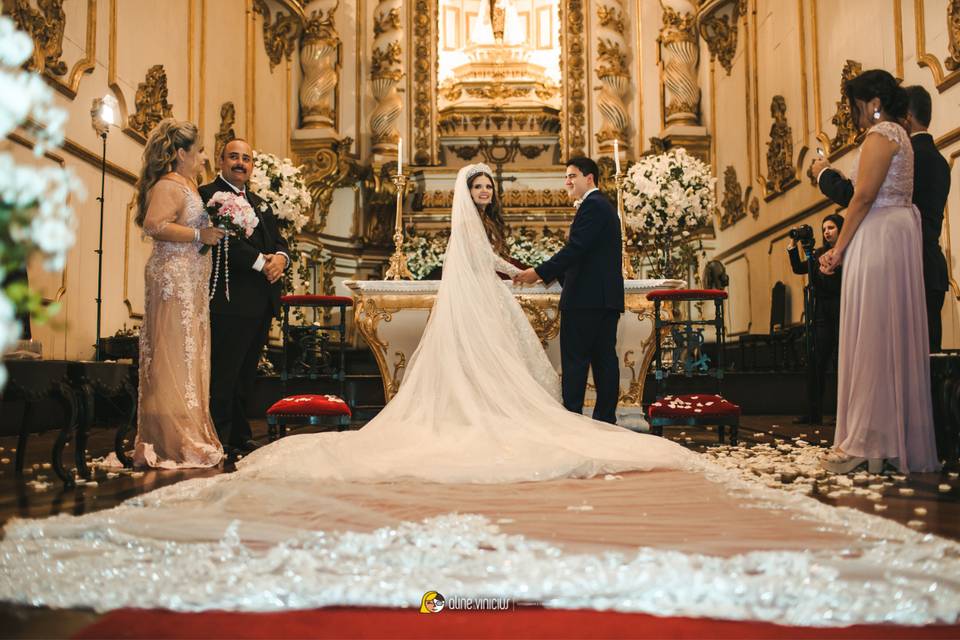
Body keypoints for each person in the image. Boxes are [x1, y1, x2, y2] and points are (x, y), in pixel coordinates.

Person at [231, 163, 689, 483]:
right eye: (479, 188)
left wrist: (523, 270)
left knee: (509, 361)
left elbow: (498, 258)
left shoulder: (499, 220)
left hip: (492, 298)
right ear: (466, 193)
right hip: (479, 301)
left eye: (489, 188)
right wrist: (523, 272)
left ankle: (559, 417)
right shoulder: (469, 226)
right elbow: (482, 259)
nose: (485, 193)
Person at [816, 70, 939, 474]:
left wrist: (838, 248)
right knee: (888, 336)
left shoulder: (881, 135)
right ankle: (888, 436)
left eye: (854, 108)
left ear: (872, 104)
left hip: (880, 237)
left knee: (873, 335)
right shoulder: (899, 135)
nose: (854, 116)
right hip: (894, 235)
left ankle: (869, 437)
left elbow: (864, 197)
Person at [813, 85, 951, 353]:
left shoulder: (905, 154)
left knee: (897, 351)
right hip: (931, 265)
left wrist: (824, 174)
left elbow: (861, 197)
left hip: (903, 261)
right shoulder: (938, 159)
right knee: (926, 357)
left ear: (907, 115)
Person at [133, 119, 225, 468]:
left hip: (190, 281)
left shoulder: (188, 184)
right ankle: (172, 437)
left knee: (188, 354)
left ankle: (187, 429)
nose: (203, 157)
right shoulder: (168, 185)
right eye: (198, 150)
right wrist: (200, 236)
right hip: (173, 281)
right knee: (174, 354)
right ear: (181, 153)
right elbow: (154, 225)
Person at [514, 157, 625, 425]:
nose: (567, 182)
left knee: (576, 363)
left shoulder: (592, 205)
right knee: (603, 361)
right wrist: (553, 276)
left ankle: (574, 422)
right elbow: (587, 254)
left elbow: (576, 249)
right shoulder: (602, 207)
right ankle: (605, 421)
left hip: (586, 300)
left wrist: (539, 272)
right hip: (602, 299)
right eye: (566, 176)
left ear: (590, 178)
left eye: (572, 176)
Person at [199, 139, 289, 459]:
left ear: (253, 166)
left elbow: (279, 241)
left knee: (245, 375)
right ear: (220, 160)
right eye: (234, 157)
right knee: (224, 371)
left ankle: (239, 435)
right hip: (230, 298)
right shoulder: (207, 195)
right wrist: (262, 263)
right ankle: (219, 436)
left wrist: (281, 258)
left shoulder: (261, 203)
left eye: (246, 159)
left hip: (261, 301)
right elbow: (224, 243)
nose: (240, 163)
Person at [786, 214, 844, 426]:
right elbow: (799, 268)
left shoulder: (849, 252)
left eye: (831, 227)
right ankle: (813, 412)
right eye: (824, 228)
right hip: (821, 311)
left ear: (841, 229)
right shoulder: (818, 253)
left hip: (841, 306)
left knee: (841, 360)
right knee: (817, 359)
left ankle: (843, 414)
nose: (827, 231)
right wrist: (793, 243)